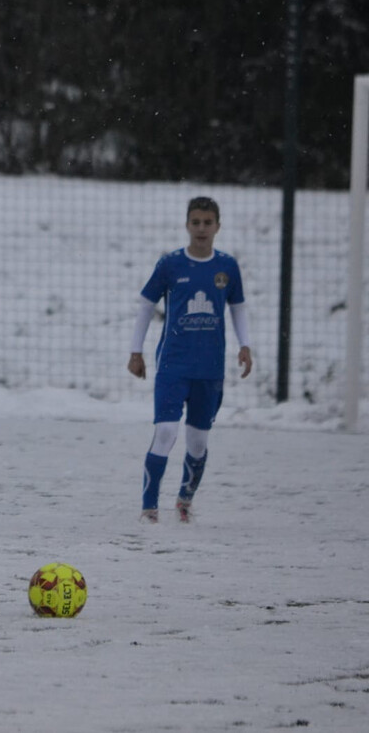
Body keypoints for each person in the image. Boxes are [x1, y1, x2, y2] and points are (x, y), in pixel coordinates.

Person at [127, 196, 252, 523]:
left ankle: (185, 498)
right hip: (173, 364)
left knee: (197, 442)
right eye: (195, 222)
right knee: (166, 431)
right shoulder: (171, 264)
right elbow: (144, 305)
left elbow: (238, 308)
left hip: (209, 369)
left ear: (217, 227)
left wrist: (245, 345)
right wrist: (135, 351)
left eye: (207, 223)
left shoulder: (227, 266)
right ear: (187, 225)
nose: (201, 228)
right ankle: (149, 508)